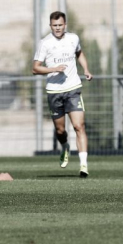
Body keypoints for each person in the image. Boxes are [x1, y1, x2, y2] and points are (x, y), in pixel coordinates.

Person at [32, 11, 92, 178]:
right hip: (54, 92)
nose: (58, 28)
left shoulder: (73, 38)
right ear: (50, 26)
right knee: (60, 130)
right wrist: (53, 69)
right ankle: (65, 146)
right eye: (55, 25)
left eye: (60, 25)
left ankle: (83, 165)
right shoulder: (45, 43)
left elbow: (79, 53)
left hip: (73, 88)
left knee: (79, 126)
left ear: (65, 25)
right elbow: (35, 68)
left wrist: (86, 69)